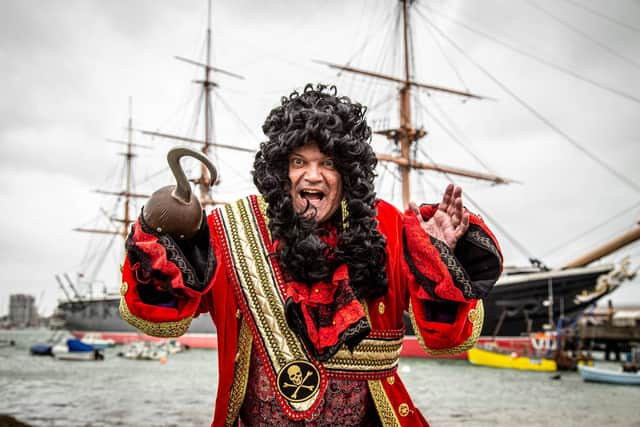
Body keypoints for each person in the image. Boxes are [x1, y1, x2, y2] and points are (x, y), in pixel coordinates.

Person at [119, 84, 503, 427]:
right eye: (298, 162)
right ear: (279, 170)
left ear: (348, 173)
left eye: (328, 163)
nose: (313, 176)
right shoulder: (230, 229)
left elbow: (448, 340)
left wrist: (438, 259)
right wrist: (162, 242)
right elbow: (159, 318)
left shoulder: (389, 228)